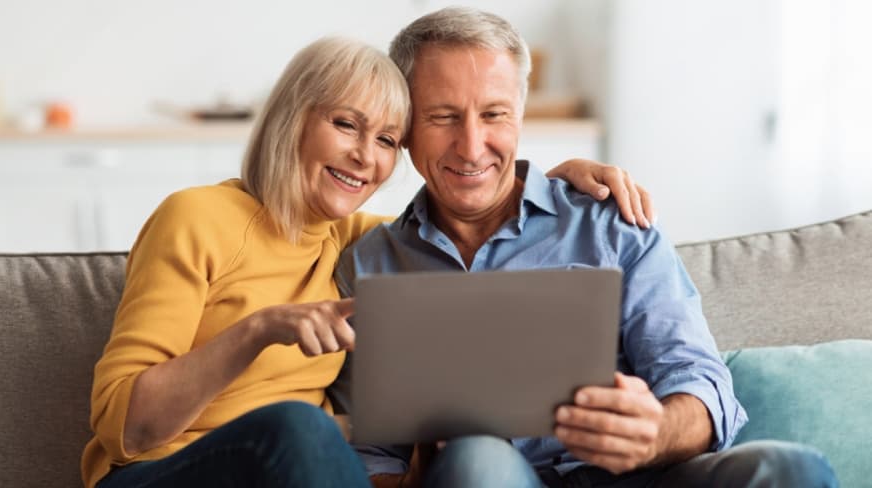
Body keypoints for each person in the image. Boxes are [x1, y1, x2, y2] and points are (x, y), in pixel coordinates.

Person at [80, 36, 653, 488]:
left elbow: (473, 215)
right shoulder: (195, 217)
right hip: (160, 472)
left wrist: (555, 184)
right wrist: (260, 329)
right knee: (301, 427)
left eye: (386, 140)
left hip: (291, 474)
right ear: (293, 118)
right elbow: (127, 427)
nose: (364, 157)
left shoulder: (354, 240)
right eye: (345, 125)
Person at [333, 7, 839, 488]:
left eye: (494, 114)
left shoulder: (611, 220)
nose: (471, 145)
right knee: (476, 456)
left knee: (788, 468)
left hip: (645, 477)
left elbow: (697, 378)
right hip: (488, 477)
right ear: (402, 127)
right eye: (443, 117)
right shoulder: (369, 263)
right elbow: (374, 454)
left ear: (521, 115)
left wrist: (656, 431)